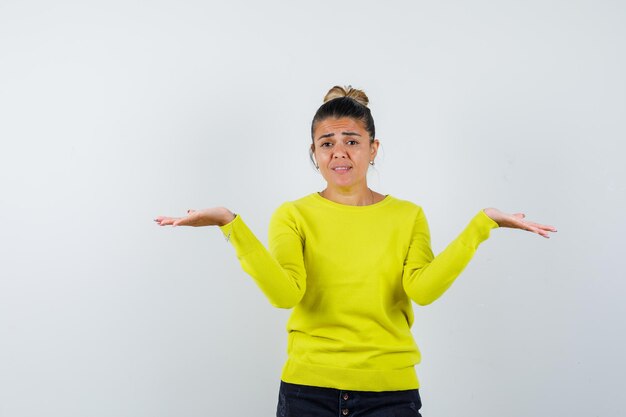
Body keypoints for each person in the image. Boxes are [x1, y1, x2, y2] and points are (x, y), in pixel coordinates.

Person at [154, 85, 556, 417]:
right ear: (314, 152)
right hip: (307, 393)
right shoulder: (292, 215)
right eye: (326, 143)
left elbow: (423, 290)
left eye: (351, 141)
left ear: (373, 148)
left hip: (390, 394)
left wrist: (482, 223)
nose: (339, 152)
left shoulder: (408, 215)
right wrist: (230, 224)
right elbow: (284, 294)